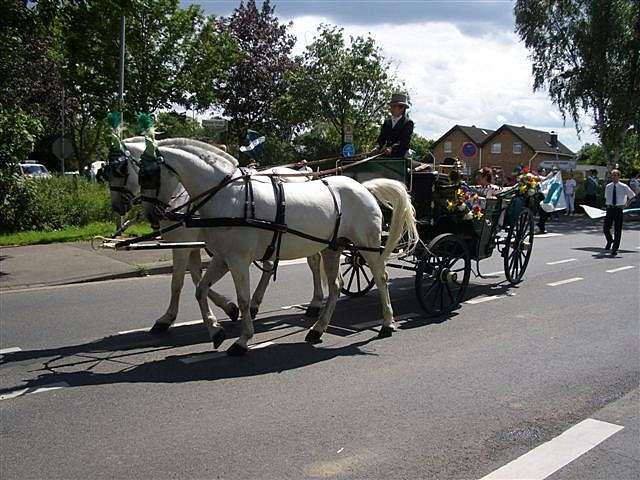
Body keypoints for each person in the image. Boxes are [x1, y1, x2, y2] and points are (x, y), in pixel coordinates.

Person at [603, 169, 636, 256]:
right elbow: (606, 197)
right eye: (612, 175)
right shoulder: (608, 186)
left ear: (618, 176)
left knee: (617, 229)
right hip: (610, 209)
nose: (613, 177)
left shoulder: (623, 186)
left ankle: (615, 248)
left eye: (614, 175)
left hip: (618, 209)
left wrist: (627, 204)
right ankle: (610, 240)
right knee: (605, 228)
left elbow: (632, 196)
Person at [372, 92, 414, 158]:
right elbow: (381, 138)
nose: (391, 109)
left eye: (394, 107)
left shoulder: (408, 123)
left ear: (402, 108)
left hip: (401, 157)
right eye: (391, 106)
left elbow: (403, 141)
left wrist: (391, 148)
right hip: (387, 155)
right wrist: (377, 147)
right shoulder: (387, 122)